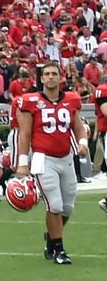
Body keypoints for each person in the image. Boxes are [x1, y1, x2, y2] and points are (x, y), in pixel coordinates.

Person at [14, 63, 87, 265]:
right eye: (47, 74)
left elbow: (78, 127)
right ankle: (59, 249)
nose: (51, 77)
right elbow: (25, 134)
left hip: (66, 157)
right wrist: (22, 162)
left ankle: (52, 239)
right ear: (42, 78)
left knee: (68, 208)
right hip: (42, 158)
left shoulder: (71, 99)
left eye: (54, 73)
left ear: (60, 77)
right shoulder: (31, 101)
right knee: (54, 204)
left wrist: (82, 143)